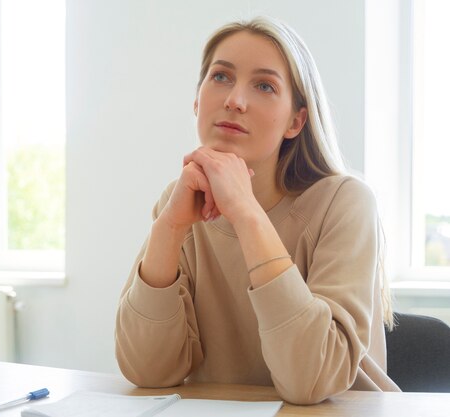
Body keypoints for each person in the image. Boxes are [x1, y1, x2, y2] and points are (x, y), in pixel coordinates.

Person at [114, 16, 400, 405]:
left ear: (296, 121)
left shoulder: (345, 201)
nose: (235, 99)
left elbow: (309, 381)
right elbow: (147, 370)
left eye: (264, 85)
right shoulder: (178, 202)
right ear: (197, 101)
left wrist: (247, 214)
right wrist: (170, 225)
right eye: (221, 77)